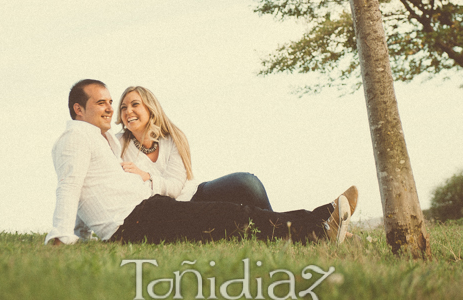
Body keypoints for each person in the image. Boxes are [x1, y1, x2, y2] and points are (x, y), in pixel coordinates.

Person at [45, 79, 357, 246]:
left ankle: (320, 223)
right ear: (78, 109)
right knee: (234, 219)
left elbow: (91, 190)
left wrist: (82, 234)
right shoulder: (78, 138)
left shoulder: (103, 140)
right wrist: (61, 236)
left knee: (236, 213)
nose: (112, 109)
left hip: (149, 210)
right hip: (136, 220)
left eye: (111, 102)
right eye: (103, 102)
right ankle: (319, 226)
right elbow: (70, 185)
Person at [116, 85, 273, 210]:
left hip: (196, 196)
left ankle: (278, 227)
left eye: (135, 104)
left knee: (246, 183)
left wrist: (146, 176)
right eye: (123, 107)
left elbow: (175, 188)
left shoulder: (173, 138)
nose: (128, 111)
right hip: (166, 211)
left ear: (150, 108)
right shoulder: (118, 144)